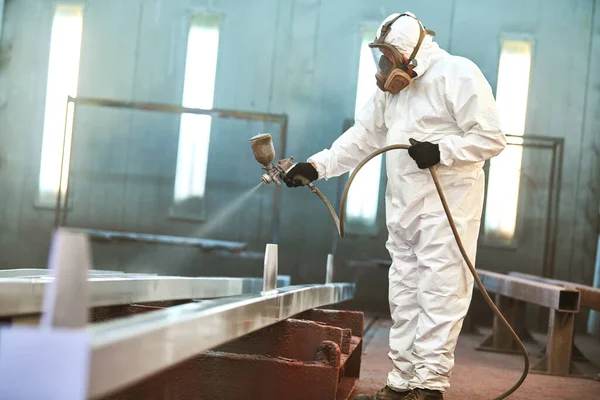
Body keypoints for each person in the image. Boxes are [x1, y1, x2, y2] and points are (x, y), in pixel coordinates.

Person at [284, 11, 506, 400]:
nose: (384, 65)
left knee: (439, 292)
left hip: (446, 204)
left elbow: (492, 138)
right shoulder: (391, 91)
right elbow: (362, 137)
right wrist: (317, 166)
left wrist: (442, 150)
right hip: (403, 206)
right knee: (404, 293)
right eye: (380, 55)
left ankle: (429, 385)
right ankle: (403, 383)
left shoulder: (457, 74)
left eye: (389, 56)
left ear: (412, 54)